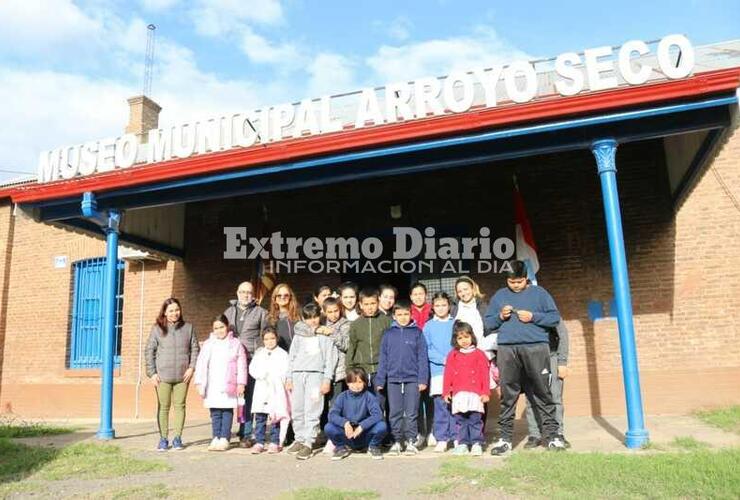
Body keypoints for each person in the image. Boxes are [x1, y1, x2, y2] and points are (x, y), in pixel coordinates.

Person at [484, 260, 566, 455]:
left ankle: (553, 436)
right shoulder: (500, 296)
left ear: (526, 278)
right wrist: (501, 317)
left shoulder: (540, 293)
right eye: (511, 282)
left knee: (543, 392)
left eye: (519, 281)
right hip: (507, 350)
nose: (515, 285)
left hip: (536, 347)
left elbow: (554, 318)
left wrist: (534, 317)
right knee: (508, 395)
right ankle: (504, 439)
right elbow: (488, 323)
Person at [375, 300, 429, 456]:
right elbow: (383, 358)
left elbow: (422, 358)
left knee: (411, 412)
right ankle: (397, 441)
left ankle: (411, 441)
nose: (403, 317)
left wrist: (422, 379)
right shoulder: (388, 334)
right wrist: (380, 379)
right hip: (392, 380)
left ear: (411, 315)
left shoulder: (417, 333)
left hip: (412, 379)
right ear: (394, 316)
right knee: (395, 412)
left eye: (406, 314)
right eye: (399, 314)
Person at [145, 298, 199, 452]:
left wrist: (191, 368)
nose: (175, 313)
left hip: (183, 376)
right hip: (163, 376)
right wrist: (152, 373)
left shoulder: (188, 328)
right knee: (163, 407)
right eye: (171, 311)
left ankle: (177, 438)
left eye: (177, 310)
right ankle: (163, 439)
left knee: (180, 406)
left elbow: (195, 348)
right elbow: (149, 351)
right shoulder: (157, 329)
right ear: (165, 312)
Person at [285, 303, 338, 460]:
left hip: (316, 376)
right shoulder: (299, 336)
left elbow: (330, 359)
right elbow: (292, 356)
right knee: (297, 409)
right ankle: (299, 439)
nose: (312, 321)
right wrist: (289, 376)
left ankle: (309, 442)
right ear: (303, 319)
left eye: (315, 317)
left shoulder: (325, 335)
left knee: (312, 410)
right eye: (308, 318)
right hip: (297, 375)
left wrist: (327, 380)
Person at [223, 281, 268, 447]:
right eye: (242, 292)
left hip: (251, 359)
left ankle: (246, 433)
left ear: (253, 294)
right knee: (228, 397)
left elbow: (266, 335)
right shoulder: (228, 312)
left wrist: (260, 353)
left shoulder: (261, 312)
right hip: (231, 361)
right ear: (237, 293)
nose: (245, 295)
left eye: (248, 292)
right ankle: (223, 432)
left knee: (247, 398)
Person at [193, 315, 247, 452]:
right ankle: (215, 437)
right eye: (216, 328)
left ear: (227, 326)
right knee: (215, 411)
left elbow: (242, 365)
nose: (219, 330)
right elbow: (201, 364)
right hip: (213, 384)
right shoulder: (208, 344)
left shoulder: (236, 343)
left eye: (221, 327)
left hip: (229, 383)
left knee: (227, 411)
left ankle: (224, 438)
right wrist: (199, 382)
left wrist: (241, 383)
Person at [443, 321, 490, 456]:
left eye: (466, 337)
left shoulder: (479, 354)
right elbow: (448, 374)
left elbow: (484, 375)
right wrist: (446, 391)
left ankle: (476, 443)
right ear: (455, 339)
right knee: (461, 420)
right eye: (460, 338)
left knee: (475, 420)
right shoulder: (453, 355)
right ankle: (463, 443)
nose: (464, 341)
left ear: (472, 337)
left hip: (475, 395)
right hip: (459, 395)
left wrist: (485, 392)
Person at [524, 321, 570, 448]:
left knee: (555, 398)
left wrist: (562, 362)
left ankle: (558, 433)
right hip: (530, 359)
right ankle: (535, 435)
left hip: (552, 357)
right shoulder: (521, 311)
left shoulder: (550, 311)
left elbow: (563, 335)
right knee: (531, 399)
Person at [325, 367, 388, 461]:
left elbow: (377, 415)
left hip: (364, 434)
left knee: (382, 426)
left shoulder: (369, 396)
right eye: (353, 382)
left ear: (365, 383)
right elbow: (332, 415)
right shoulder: (342, 397)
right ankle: (341, 448)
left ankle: (373, 446)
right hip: (348, 435)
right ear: (347, 383)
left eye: (359, 382)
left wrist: (362, 426)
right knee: (329, 427)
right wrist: (345, 424)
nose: (356, 385)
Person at [315, 297, 351, 454]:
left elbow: (345, 345)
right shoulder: (320, 325)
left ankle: (335, 439)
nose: (333, 314)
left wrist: (331, 333)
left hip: (339, 372)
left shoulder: (345, 324)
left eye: (336, 311)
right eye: (329, 312)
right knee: (322, 407)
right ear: (324, 312)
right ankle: (324, 434)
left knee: (335, 407)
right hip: (322, 372)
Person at [249, 326, 291, 454]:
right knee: (260, 417)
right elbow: (253, 369)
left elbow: (286, 370)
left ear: (276, 338)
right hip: (262, 388)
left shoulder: (283, 354)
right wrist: (261, 375)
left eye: (272, 338)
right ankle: (259, 441)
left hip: (276, 389)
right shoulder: (259, 353)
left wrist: (280, 380)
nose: (269, 341)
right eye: (266, 339)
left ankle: (274, 441)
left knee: (275, 416)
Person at [423, 292, 456, 452]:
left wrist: (452, 360)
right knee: (440, 405)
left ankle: (456, 437)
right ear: (433, 307)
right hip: (437, 372)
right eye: (437, 305)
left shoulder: (455, 323)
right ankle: (442, 437)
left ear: (449, 305)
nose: (441, 308)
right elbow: (426, 348)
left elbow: (459, 345)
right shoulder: (428, 326)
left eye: (444, 305)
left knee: (455, 404)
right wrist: (443, 359)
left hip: (456, 371)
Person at [347, 288, 392, 392]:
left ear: (378, 303)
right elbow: (352, 347)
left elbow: (391, 347)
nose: (370, 307)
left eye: (373, 303)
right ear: (361, 305)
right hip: (362, 370)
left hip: (381, 369)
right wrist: (349, 370)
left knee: (379, 402)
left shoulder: (387, 321)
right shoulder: (355, 325)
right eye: (366, 304)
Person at [409, 282, 432, 447]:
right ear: (410, 297)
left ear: (426, 295)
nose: (418, 297)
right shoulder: (406, 313)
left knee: (430, 398)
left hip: (431, 359)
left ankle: (431, 431)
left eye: (421, 293)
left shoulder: (432, 310)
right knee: (415, 399)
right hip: (412, 360)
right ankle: (418, 432)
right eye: (415, 294)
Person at [267, 283, 300, 351]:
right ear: (275, 298)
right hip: (282, 356)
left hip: (300, 354)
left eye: (286, 295)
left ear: (290, 297)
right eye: (279, 295)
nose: (282, 297)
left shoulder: (299, 315)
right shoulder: (270, 319)